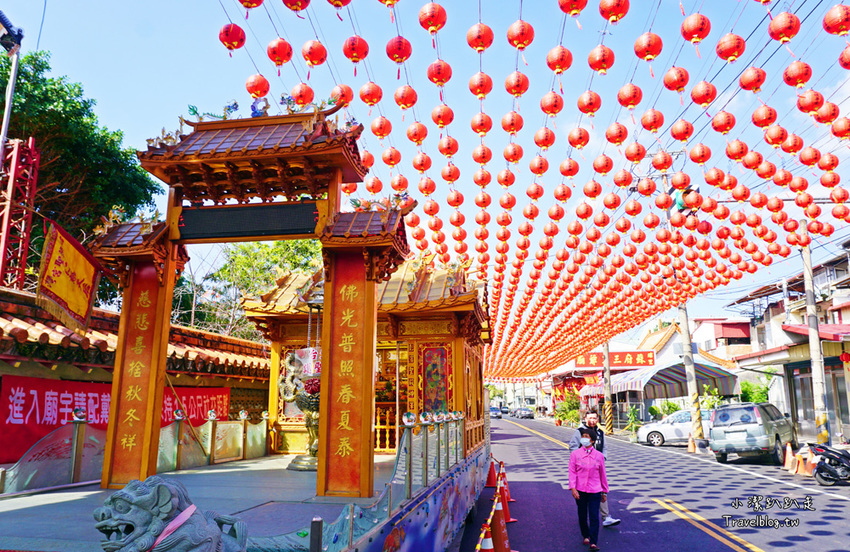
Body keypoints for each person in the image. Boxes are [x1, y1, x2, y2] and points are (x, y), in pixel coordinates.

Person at [569, 409, 621, 527]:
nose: (592, 420)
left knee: (600, 489)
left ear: (598, 419)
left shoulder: (600, 433)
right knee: (584, 494)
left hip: (597, 467)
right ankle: (585, 518)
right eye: (590, 418)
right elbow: (573, 447)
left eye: (594, 418)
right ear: (585, 419)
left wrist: (603, 459)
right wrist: (580, 460)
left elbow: (604, 447)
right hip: (583, 468)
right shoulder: (579, 432)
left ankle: (605, 517)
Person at [569, 427, 608, 551]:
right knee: (582, 514)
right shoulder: (575, 454)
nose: (583, 439)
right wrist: (573, 488)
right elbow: (572, 472)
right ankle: (585, 535)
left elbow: (603, 474)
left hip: (595, 490)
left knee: (594, 516)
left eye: (586, 437)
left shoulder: (599, 456)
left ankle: (593, 542)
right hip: (580, 490)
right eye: (583, 436)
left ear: (592, 441)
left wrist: (604, 491)